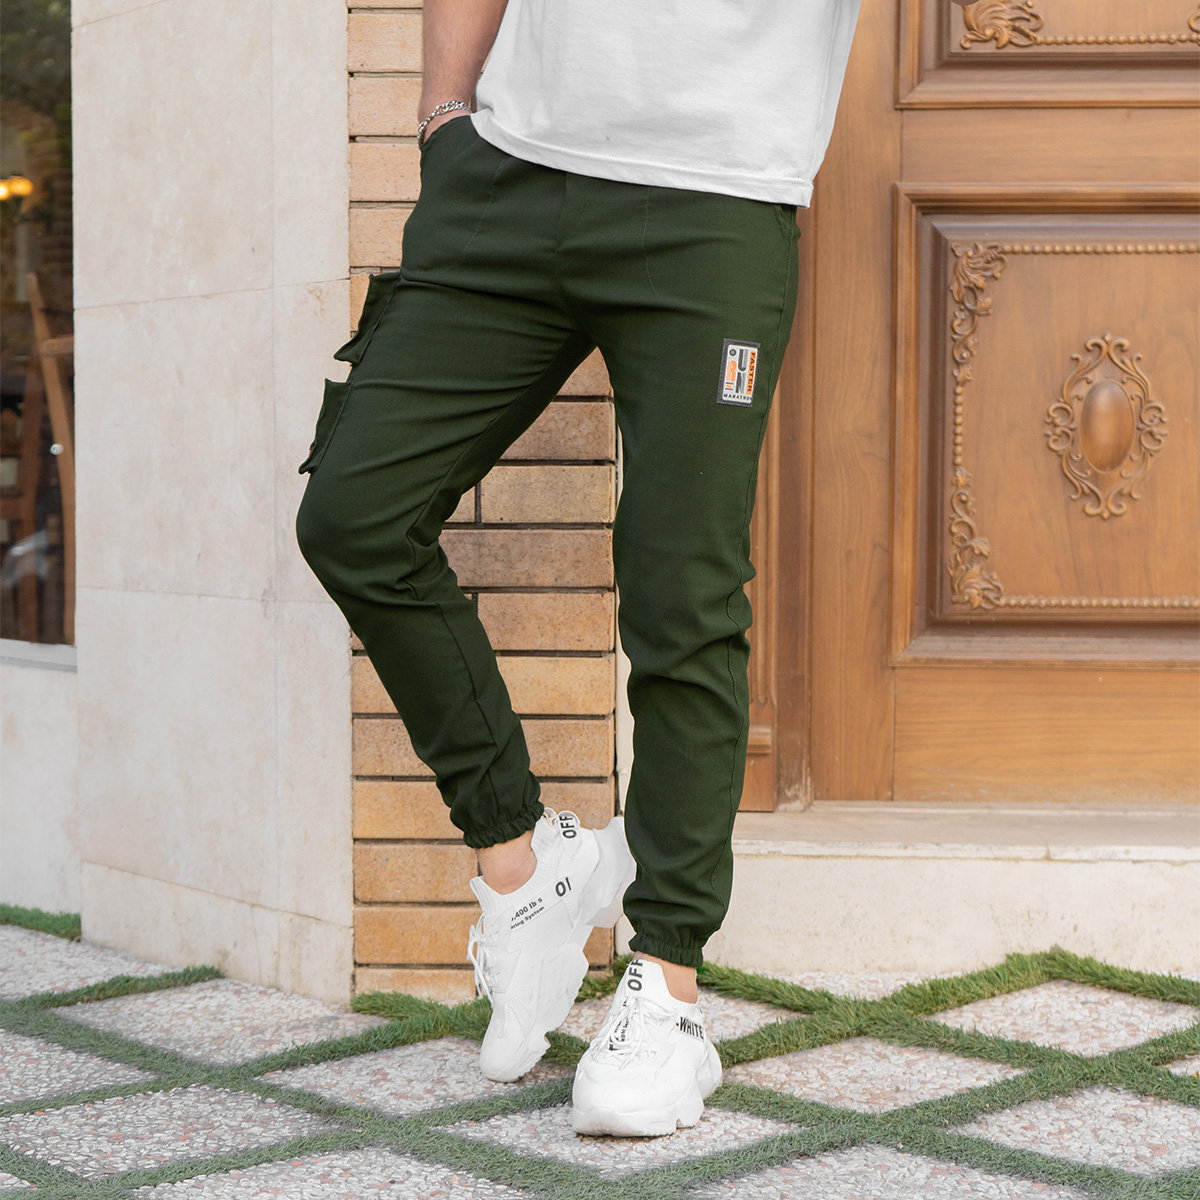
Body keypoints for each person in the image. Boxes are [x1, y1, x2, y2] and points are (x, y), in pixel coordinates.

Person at [297, 0, 863, 1138]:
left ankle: (667, 989)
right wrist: (444, 119)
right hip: (507, 173)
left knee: (682, 593)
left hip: (716, 199)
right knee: (356, 517)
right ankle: (526, 866)